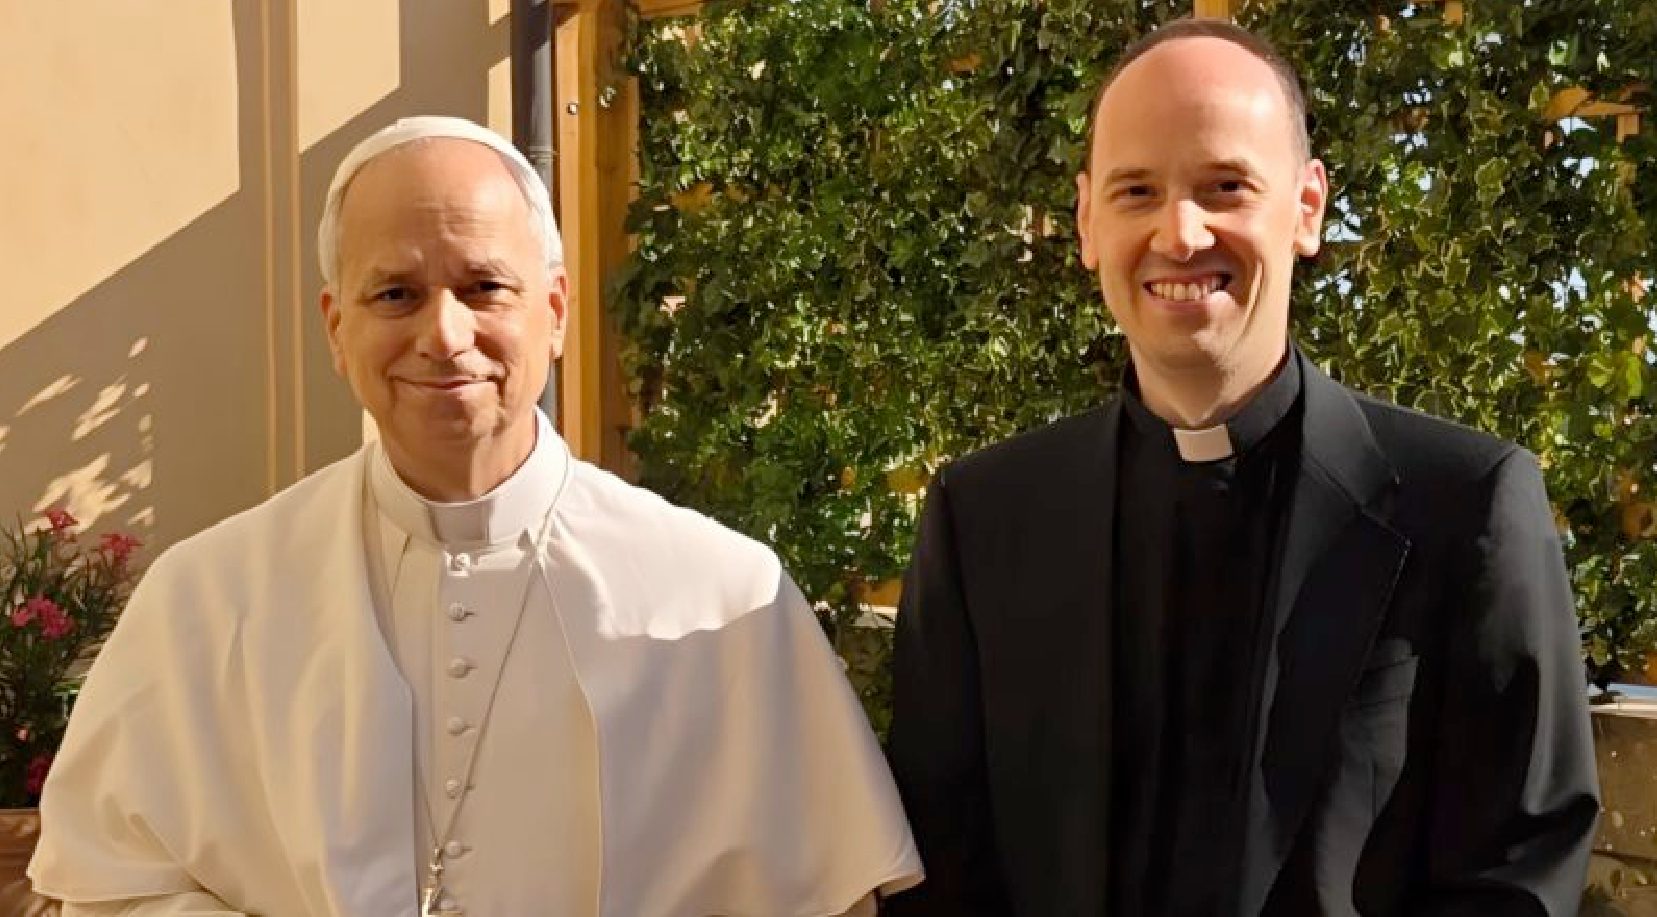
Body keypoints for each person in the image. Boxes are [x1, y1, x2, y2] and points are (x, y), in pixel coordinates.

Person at [29, 116, 921, 917]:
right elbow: (113, 888)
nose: (445, 335)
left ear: (555, 311)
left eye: (485, 286)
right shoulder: (206, 597)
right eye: (395, 294)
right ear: (335, 328)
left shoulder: (723, 594)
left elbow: (827, 900)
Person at [885, 18, 1599, 917]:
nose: (1180, 233)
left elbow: (1517, 872)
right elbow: (939, 870)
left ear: (1305, 207)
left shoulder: (1464, 506)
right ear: (1086, 222)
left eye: (1224, 187)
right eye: (1136, 191)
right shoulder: (983, 518)